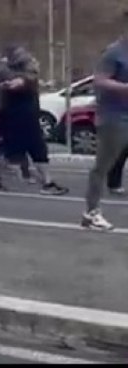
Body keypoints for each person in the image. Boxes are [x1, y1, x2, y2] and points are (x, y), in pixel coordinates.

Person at [0, 49, 67, 195]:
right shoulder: (23, 78)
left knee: (38, 151)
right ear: (25, 64)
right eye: (32, 61)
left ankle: (47, 182)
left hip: (29, 122)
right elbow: (16, 84)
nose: (36, 63)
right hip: (18, 123)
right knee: (12, 152)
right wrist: (9, 85)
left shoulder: (30, 78)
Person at [83, 18, 128, 231]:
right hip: (114, 116)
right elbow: (99, 80)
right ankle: (91, 212)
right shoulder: (114, 52)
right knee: (103, 165)